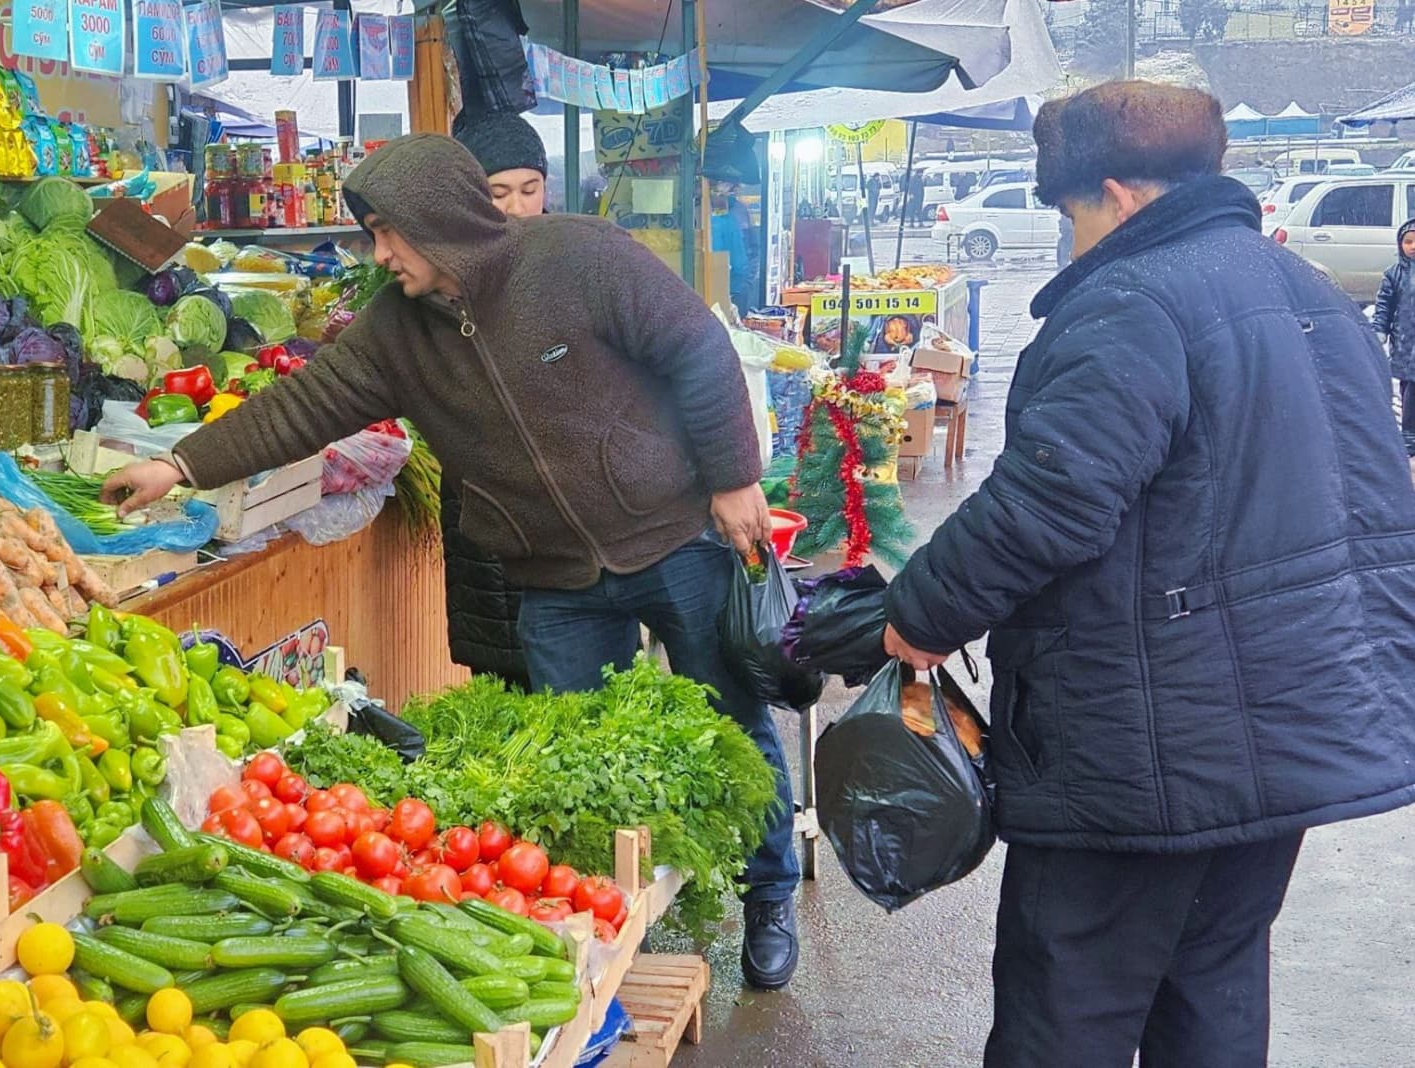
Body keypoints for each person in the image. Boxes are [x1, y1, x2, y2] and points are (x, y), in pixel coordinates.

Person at [103, 133, 806, 989]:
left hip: (671, 533)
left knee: (731, 719)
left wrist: (733, 477)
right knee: (576, 766)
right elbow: (303, 406)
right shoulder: (396, 333)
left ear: (440, 221)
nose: (380, 253)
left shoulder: (579, 256)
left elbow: (697, 348)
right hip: (551, 576)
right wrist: (178, 465)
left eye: (389, 233)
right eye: (371, 235)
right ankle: (611, 929)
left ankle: (769, 892)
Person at [881, 81, 1415, 1067]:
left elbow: (1047, 503)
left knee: (1066, 1006)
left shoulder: (1132, 300)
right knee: (1211, 988)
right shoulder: (1298, 290)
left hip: (1142, 751)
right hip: (1289, 724)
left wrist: (916, 615)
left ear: (1117, 196)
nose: (1068, 237)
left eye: (1069, 212)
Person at [436, 111, 551, 690]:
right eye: (498, 192)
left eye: (529, 190)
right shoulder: (442, 277)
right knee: (501, 673)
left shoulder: (569, 259)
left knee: (570, 672)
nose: (516, 206)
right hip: (481, 501)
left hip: (562, 509)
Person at [1371, 218, 1415, 455]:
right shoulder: (1394, 275)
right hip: (1406, 342)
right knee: (1409, 391)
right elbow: (1384, 307)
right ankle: (1409, 435)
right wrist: (1380, 330)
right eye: (1408, 242)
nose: (1413, 246)